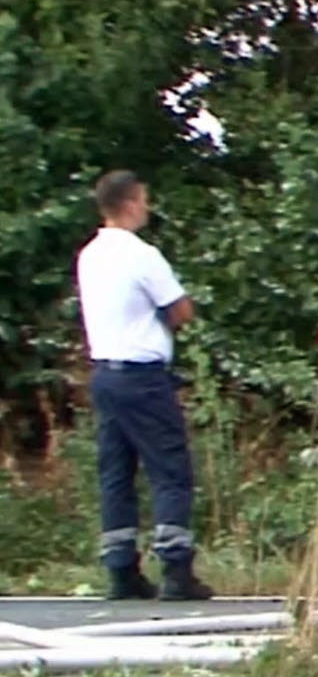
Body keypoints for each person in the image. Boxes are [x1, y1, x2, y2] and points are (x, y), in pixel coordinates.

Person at [75, 171, 214, 601]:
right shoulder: (142, 255)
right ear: (132, 202)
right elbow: (180, 309)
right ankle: (176, 567)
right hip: (142, 373)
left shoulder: (89, 255)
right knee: (169, 466)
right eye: (144, 200)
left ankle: (121, 568)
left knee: (116, 471)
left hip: (104, 372)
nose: (147, 208)